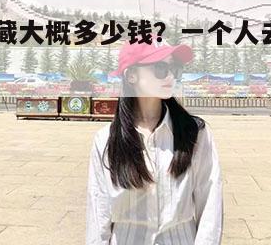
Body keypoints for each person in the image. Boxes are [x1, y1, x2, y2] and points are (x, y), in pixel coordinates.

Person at [86, 40, 223, 245]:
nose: (170, 76)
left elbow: (210, 202)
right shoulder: (106, 140)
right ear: (131, 75)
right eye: (160, 68)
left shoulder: (195, 133)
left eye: (174, 69)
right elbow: (98, 212)